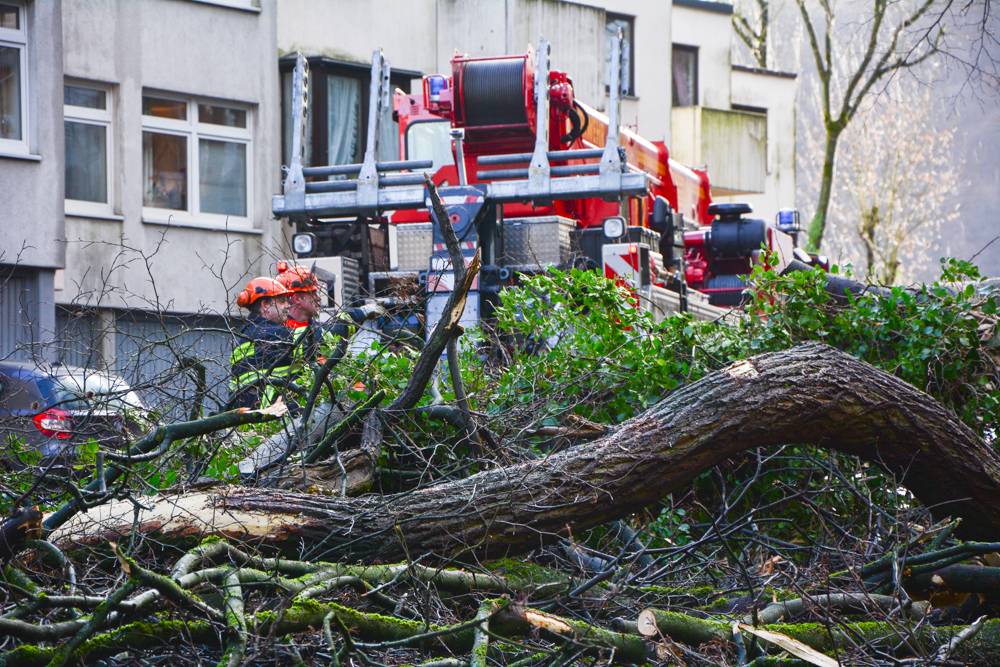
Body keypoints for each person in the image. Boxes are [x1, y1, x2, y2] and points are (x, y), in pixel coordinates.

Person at [228, 277, 295, 410]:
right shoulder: (273, 334)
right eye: (282, 301)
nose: (288, 305)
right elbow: (310, 341)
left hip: (245, 413)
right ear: (265, 305)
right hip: (268, 411)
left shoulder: (245, 335)